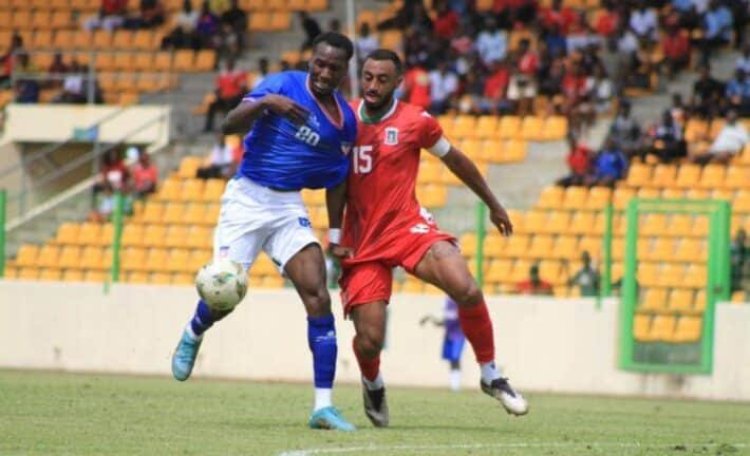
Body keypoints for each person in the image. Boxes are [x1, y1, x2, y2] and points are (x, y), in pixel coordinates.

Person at [328, 49, 528, 429]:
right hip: (363, 241)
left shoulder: (415, 121)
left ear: (398, 82)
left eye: (382, 79)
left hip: (407, 228)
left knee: (466, 288)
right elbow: (334, 181)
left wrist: (493, 203)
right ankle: (373, 382)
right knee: (370, 340)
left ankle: (490, 374)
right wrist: (335, 233)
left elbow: (455, 160)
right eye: (368, 77)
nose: (372, 85)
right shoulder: (343, 120)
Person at [170, 32, 358, 432]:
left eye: (334, 67)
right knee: (225, 294)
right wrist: (265, 104)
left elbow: (338, 181)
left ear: (345, 70)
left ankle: (322, 406)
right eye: (319, 63)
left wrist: (337, 237)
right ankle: (194, 330)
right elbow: (228, 124)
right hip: (247, 199)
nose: (324, 72)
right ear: (312, 60)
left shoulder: (345, 122)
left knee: (317, 293)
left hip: (287, 205)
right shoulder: (282, 85)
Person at [420, 297, 466, 392]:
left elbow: (461, 318)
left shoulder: (459, 301)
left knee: (455, 358)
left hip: (458, 335)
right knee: (451, 359)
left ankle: (456, 385)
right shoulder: (448, 301)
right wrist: (430, 318)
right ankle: (454, 384)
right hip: (449, 335)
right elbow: (444, 321)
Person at [731, 229, 747, 293]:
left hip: (740, 278)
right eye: (740, 238)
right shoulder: (732, 249)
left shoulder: (745, 250)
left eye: (743, 238)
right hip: (733, 277)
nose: (741, 240)